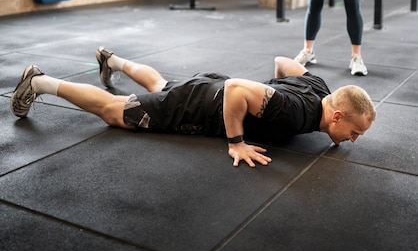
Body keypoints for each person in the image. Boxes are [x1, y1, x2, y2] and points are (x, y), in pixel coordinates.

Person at [10, 47, 376, 168]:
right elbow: (236, 90)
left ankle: (112, 60)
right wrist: (236, 141)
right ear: (338, 115)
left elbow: (283, 62)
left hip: (208, 85)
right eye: (354, 132)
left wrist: (267, 91)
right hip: (199, 105)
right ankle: (39, 82)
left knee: (159, 86)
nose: (354, 139)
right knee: (115, 111)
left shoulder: (320, 88)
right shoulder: (297, 113)